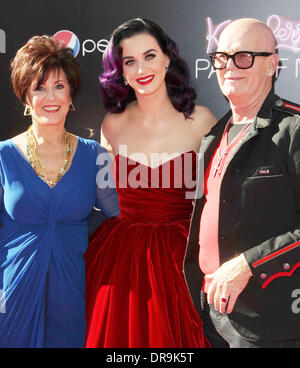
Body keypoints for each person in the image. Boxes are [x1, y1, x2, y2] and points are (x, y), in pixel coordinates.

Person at [84, 18, 217, 348]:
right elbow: (103, 194)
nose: (141, 69)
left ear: (167, 58)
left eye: (150, 56)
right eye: (130, 61)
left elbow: (216, 199)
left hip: (182, 259)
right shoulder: (112, 124)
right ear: (121, 70)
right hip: (118, 259)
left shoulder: (202, 121)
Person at [184, 18, 300, 348]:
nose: (230, 66)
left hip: (271, 324)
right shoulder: (212, 135)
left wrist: (250, 264)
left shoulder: (294, 130)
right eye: (222, 57)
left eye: (244, 57)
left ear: (273, 64)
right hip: (211, 316)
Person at [0, 35, 119, 348]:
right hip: (12, 291)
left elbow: (117, 216)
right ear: (25, 95)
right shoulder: (2, 156)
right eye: (39, 87)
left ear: (71, 95)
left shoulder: (96, 155)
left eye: (59, 86)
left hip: (72, 290)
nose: (50, 97)